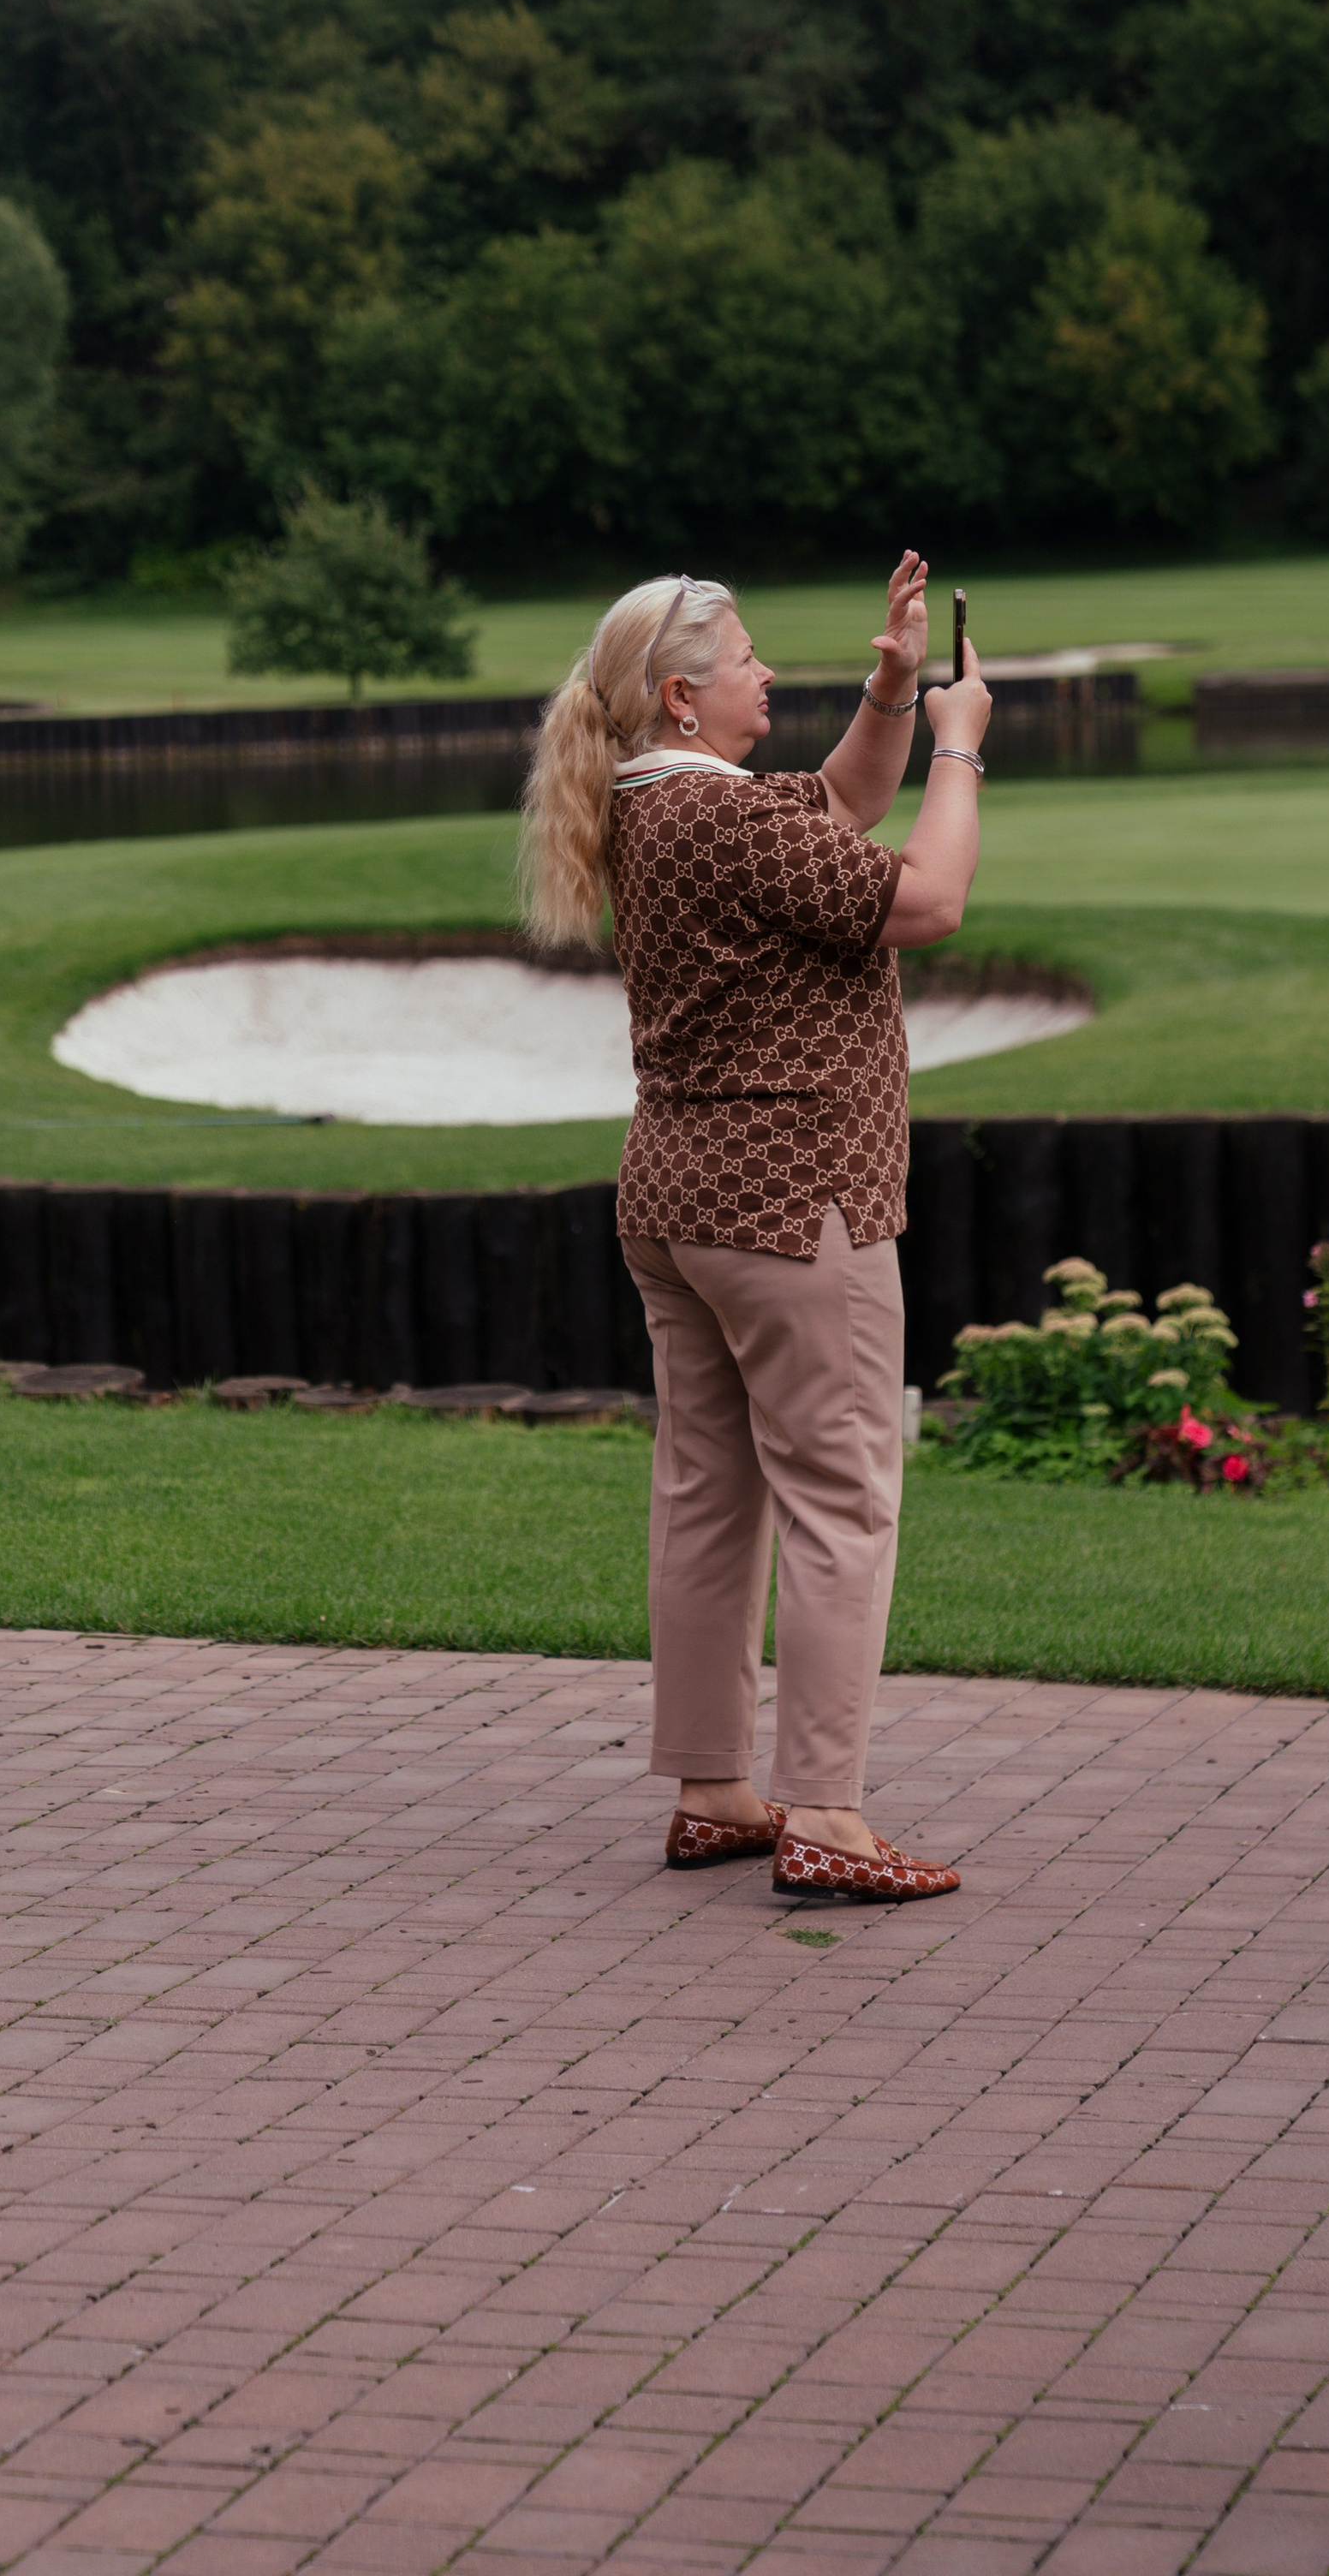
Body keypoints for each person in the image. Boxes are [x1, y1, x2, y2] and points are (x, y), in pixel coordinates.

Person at [521, 556, 992, 1903]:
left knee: (710, 1497)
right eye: (745, 661)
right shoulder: (719, 819)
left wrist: (893, 691)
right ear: (682, 696)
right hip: (793, 1205)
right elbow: (928, 901)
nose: (766, 673)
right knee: (843, 1499)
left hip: (681, 1201)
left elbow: (840, 805)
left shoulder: (655, 802)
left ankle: (715, 1791)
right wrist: (960, 748)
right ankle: (827, 1818)